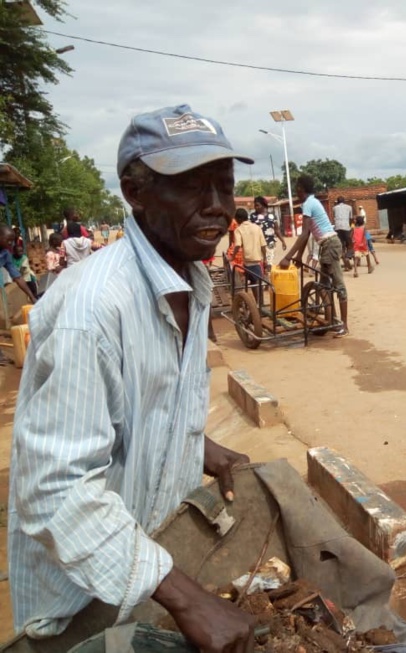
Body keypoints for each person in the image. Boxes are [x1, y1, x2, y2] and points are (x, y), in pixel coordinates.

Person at [7, 104, 257, 653]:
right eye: (193, 187)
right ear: (135, 192)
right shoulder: (92, 309)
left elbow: (146, 403)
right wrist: (188, 599)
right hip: (82, 601)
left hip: (147, 566)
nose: (217, 206)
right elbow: (54, 489)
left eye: (224, 185)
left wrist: (201, 446)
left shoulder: (192, 280)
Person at [279, 175, 348, 338]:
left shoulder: (309, 204)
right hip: (326, 245)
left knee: (338, 285)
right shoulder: (310, 203)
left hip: (330, 244)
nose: (296, 190)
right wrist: (299, 256)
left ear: (301, 188)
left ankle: (344, 325)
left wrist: (288, 257)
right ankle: (332, 319)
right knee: (324, 286)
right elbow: (308, 232)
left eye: (296, 187)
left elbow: (303, 234)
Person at [233, 207, 267, 304]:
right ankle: (259, 304)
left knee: (250, 284)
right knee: (256, 283)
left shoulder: (238, 230)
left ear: (238, 219)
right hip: (257, 261)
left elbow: (238, 245)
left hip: (248, 263)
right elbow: (263, 245)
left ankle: (256, 305)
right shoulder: (257, 228)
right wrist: (265, 259)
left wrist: (232, 257)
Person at [0, 224, 37, 304]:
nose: (10, 243)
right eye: (8, 240)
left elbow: (18, 277)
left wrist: (32, 297)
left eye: (12, 240)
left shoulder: (6, 255)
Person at [250, 196, 286, 273]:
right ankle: (261, 280)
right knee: (259, 263)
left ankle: (268, 281)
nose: (255, 207)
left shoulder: (272, 216)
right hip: (257, 244)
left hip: (270, 243)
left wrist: (283, 241)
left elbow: (277, 230)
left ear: (263, 205)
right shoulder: (252, 216)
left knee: (269, 264)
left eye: (257, 205)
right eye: (255, 205)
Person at [332, 196, 353, 271]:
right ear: (344, 201)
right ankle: (348, 257)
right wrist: (350, 228)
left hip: (337, 228)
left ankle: (346, 265)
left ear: (337, 202)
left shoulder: (334, 208)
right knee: (350, 245)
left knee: (341, 247)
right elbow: (351, 219)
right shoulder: (349, 207)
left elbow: (334, 218)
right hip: (346, 227)